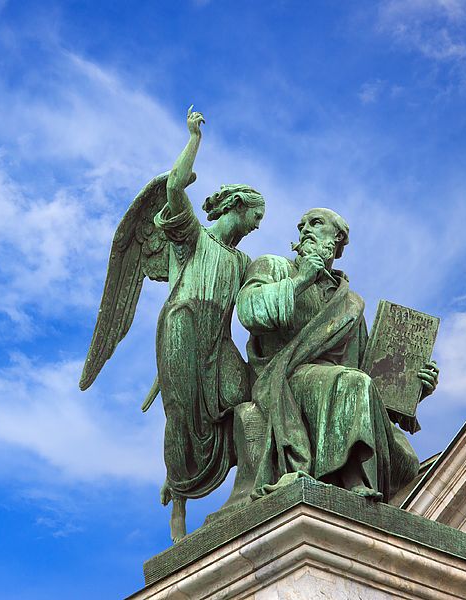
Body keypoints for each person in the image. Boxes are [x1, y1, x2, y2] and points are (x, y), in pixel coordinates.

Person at [233, 208, 439, 502]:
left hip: (339, 386)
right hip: (284, 378)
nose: (305, 229)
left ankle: (350, 475)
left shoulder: (352, 303)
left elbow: (371, 377)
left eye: (315, 223)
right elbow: (250, 311)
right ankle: (353, 478)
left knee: (405, 460)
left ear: (338, 238)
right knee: (352, 382)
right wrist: (301, 279)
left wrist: (414, 389)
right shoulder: (273, 266)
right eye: (302, 225)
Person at [156, 107, 265, 541]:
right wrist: (194, 139)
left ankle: (252, 481)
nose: (259, 224)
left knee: (247, 397)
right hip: (182, 327)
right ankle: (178, 497)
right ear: (237, 207)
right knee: (181, 415)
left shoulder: (242, 261)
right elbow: (172, 185)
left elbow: (258, 304)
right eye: (256, 214)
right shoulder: (193, 235)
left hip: (217, 340)